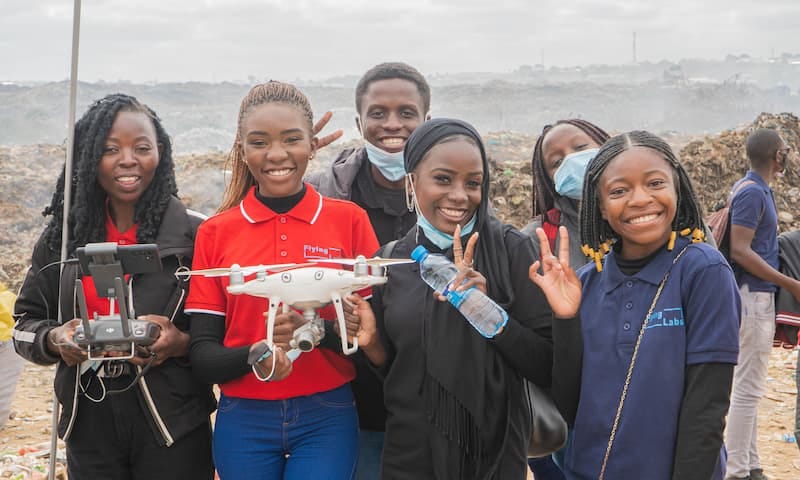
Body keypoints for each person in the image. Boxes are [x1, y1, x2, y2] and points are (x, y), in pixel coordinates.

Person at [12, 94, 216, 479]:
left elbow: (225, 333)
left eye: (142, 147)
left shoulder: (197, 235)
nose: (127, 159)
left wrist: (180, 342)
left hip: (172, 424)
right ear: (89, 158)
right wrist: (55, 339)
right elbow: (23, 327)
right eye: (110, 149)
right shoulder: (62, 238)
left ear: (161, 153)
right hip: (88, 423)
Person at [186, 81, 380, 480]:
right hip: (244, 417)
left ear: (312, 144)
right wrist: (257, 354)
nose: (276, 154)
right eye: (259, 142)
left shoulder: (349, 221)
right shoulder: (216, 232)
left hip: (327, 413)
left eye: (291, 140)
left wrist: (316, 331)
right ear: (241, 148)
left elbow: (366, 343)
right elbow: (203, 355)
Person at [343, 118, 556, 479]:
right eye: (443, 179)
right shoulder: (392, 260)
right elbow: (396, 372)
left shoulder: (511, 250)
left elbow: (546, 364)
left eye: (473, 183)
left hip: (492, 456)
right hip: (410, 455)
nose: (460, 195)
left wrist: (490, 315)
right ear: (412, 181)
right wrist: (372, 342)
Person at [530, 130, 741, 480]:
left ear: (677, 188)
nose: (640, 199)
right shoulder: (585, 282)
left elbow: (706, 409)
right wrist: (565, 319)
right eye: (618, 191)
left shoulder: (702, 270)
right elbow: (570, 406)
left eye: (655, 183)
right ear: (599, 205)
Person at [306, 61, 431, 477]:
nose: (391, 124)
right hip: (349, 403)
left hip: (431, 402)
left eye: (406, 113)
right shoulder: (325, 196)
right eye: (378, 113)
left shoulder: (450, 194)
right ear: (360, 122)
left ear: (426, 120)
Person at [725, 129, 800, 480]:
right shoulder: (753, 193)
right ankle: (737, 470)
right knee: (748, 388)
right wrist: (790, 284)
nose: (788, 155)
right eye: (785, 150)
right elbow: (740, 249)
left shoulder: (753, 188)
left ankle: (751, 463)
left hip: (756, 295)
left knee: (751, 385)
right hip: (752, 296)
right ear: (776, 156)